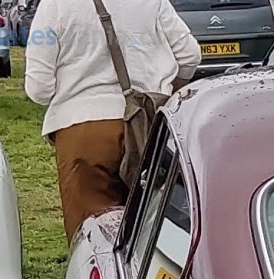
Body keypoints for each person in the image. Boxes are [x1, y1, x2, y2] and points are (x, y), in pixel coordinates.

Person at [25, 0, 199, 241]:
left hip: (83, 131)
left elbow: (39, 89)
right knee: (154, 230)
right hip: (148, 127)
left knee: (93, 236)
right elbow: (190, 55)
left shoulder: (55, 5)